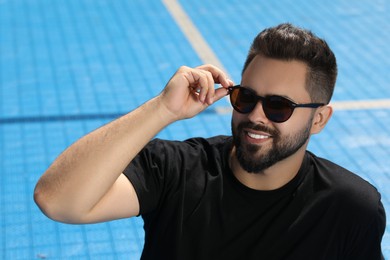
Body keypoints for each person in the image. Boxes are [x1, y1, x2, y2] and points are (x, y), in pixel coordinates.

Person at [34, 23, 386, 259]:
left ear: (319, 119)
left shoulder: (350, 208)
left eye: (279, 106)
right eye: (246, 97)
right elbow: (57, 200)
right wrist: (161, 109)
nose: (256, 116)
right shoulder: (177, 171)